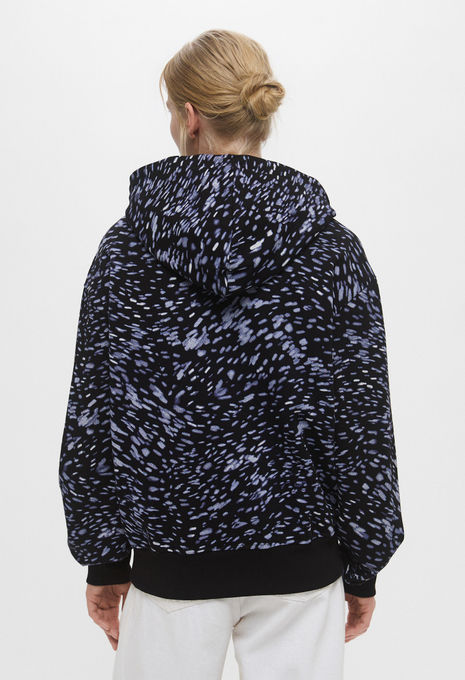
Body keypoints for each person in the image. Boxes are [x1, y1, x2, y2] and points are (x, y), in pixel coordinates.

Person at [59, 28, 404, 680]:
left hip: (169, 566)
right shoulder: (330, 251)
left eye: (170, 110)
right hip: (301, 568)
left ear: (189, 117)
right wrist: (364, 562)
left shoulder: (125, 252)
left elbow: (93, 414)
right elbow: (359, 419)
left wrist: (104, 559)